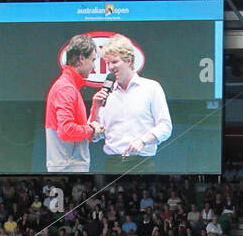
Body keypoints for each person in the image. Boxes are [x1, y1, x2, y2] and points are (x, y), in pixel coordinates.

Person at [91, 34, 172, 166]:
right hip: (112, 163)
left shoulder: (151, 88)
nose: (110, 67)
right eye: (107, 63)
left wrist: (143, 141)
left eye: (115, 62)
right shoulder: (106, 94)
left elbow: (165, 127)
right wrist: (95, 107)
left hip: (142, 163)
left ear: (128, 60)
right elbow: (95, 136)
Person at [44, 34, 102, 173]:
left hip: (69, 168)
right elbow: (66, 131)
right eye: (93, 60)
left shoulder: (69, 87)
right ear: (81, 58)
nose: (94, 66)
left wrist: (95, 108)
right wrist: (91, 129)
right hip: (69, 169)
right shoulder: (66, 89)